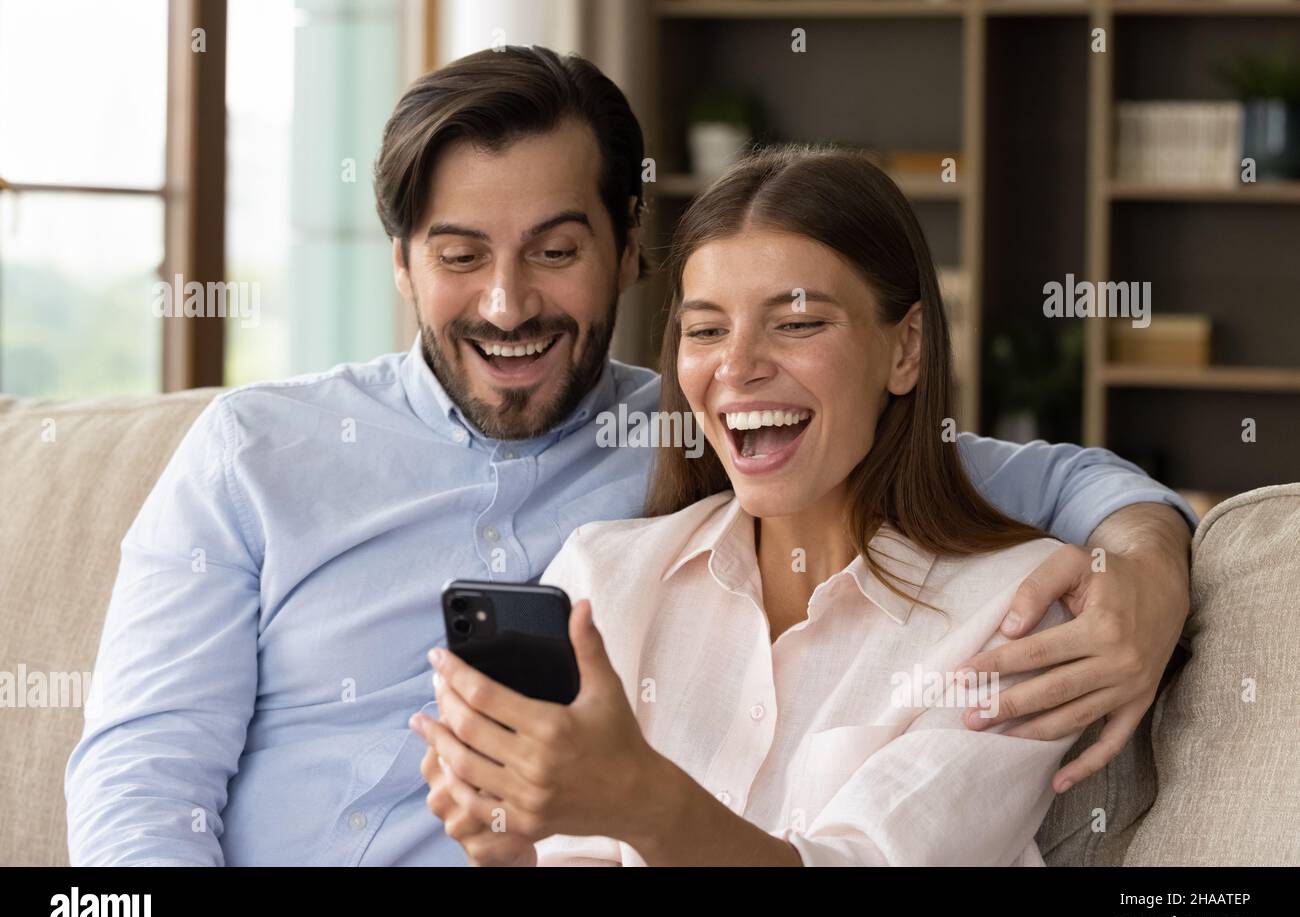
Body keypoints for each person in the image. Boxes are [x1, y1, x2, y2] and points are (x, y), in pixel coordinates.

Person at [66, 46, 1193, 867]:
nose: (508, 304)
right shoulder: (254, 454)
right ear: (403, 264)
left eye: (556, 251)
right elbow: (140, 785)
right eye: (461, 255)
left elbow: (1019, 482)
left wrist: (1145, 563)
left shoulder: (720, 433)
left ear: (624, 256)